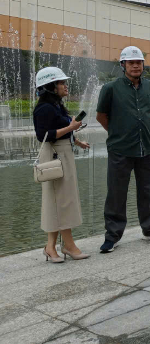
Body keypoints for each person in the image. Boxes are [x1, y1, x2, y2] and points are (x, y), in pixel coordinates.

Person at [96, 46, 150, 253]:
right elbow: (101, 116)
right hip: (120, 149)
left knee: (146, 191)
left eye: (139, 62)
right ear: (123, 65)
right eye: (131, 63)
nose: (136, 66)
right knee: (116, 193)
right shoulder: (110, 88)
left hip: (146, 148)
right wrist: (118, 132)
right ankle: (112, 236)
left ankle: (149, 229)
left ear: (143, 65)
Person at [33, 67, 90, 263]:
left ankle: (50, 247)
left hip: (62, 153)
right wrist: (71, 127)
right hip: (55, 155)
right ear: (50, 86)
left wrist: (76, 140)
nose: (65, 86)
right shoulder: (44, 108)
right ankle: (69, 245)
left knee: (56, 201)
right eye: (61, 83)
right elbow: (44, 135)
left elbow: (59, 129)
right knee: (63, 200)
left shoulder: (56, 106)